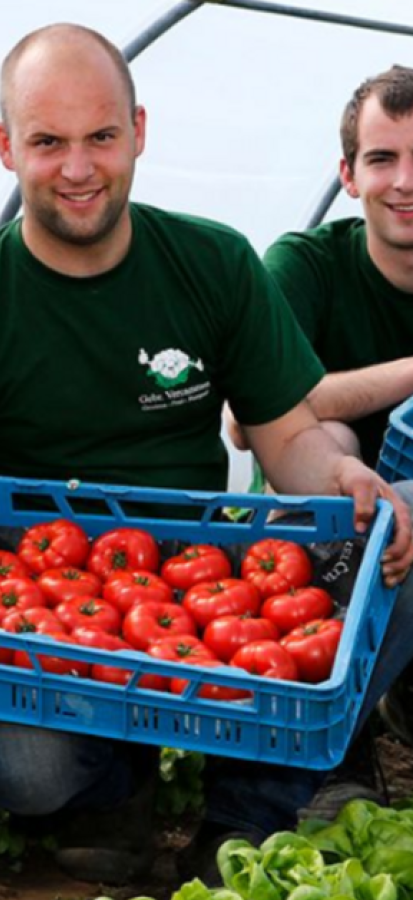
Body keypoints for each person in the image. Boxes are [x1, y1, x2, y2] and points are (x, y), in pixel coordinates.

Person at [0, 24, 413, 887]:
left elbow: (286, 436)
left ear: (138, 129)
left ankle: (244, 810)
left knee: (398, 546)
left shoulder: (212, 264)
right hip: (44, 600)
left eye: (101, 136)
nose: (79, 167)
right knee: (28, 769)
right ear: (4, 146)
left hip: (212, 581)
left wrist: (346, 477)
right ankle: (110, 793)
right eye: (47, 141)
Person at [254, 64, 413, 821]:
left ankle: (394, 698)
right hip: (314, 547)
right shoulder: (305, 266)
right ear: (348, 176)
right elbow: (257, 408)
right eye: (383, 159)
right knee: (330, 441)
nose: (405, 182)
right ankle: (334, 756)